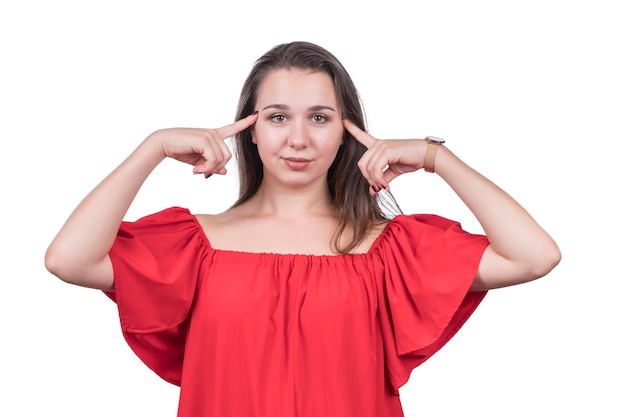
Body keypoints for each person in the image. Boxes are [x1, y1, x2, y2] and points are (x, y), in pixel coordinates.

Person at [45, 41, 561, 417]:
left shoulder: (389, 249)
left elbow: (533, 256)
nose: (297, 139)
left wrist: (435, 156)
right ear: (247, 129)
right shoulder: (191, 245)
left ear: (346, 131)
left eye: (319, 118)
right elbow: (68, 260)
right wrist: (152, 147)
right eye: (276, 117)